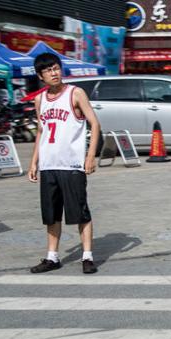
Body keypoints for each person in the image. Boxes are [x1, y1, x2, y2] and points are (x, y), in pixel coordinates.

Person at [28, 52, 101, 274]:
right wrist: (34, 163)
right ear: (41, 76)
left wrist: (90, 156)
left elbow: (94, 124)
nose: (54, 73)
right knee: (51, 215)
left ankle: (87, 256)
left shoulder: (75, 93)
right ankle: (52, 257)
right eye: (48, 70)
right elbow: (41, 131)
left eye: (56, 68)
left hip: (71, 165)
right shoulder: (39, 99)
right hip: (49, 165)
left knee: (80, 212)